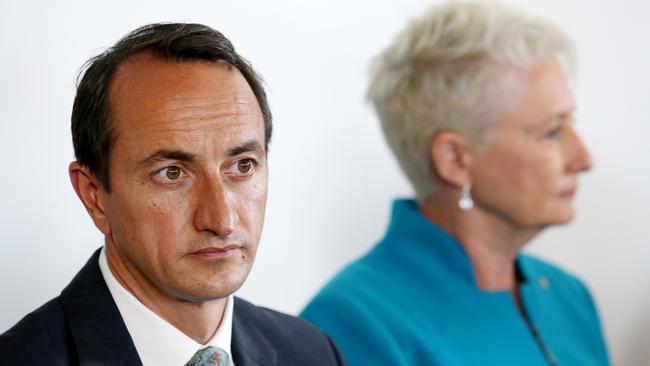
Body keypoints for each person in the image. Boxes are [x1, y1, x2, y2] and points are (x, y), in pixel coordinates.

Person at [0, 23, 343, 366]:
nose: (221, 220)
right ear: (94, 196)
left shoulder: (311, 352)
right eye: (172, 173)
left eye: (242, 166)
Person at [301, 2, 609, 365]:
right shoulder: (350, 323)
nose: (584, 159)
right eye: (552, 131)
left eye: (571, 122)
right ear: (455, 159)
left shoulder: (568, 296)